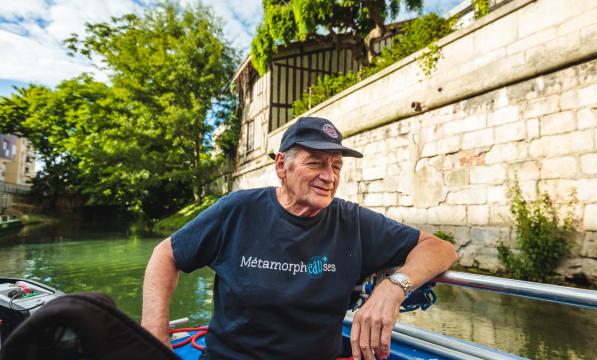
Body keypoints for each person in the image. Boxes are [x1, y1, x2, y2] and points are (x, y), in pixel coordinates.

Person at [141, 116, 458, 360]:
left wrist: (392, 289)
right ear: (282, 166)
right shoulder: (237, 211)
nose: (329, 177)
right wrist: (156, 337)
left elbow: (440, 249)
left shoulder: (353, 221)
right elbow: (166, 255)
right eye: (316, 163)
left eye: (336, 166)